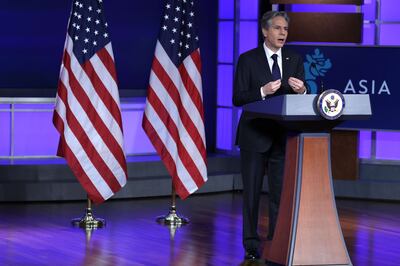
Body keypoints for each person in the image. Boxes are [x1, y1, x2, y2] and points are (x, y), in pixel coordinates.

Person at [233, 10, 308, 260]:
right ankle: (251, 245)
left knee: (279, 194)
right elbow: (238, 98)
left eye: (285, 29)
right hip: (254, 136)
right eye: (277, 28)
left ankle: (277, 242)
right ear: (265, 31)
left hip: (282, 137)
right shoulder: (248, 59)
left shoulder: (294, 60)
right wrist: (262, 91)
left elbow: (301, 96)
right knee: (252, 194)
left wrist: (303, 90)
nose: (282, 33)